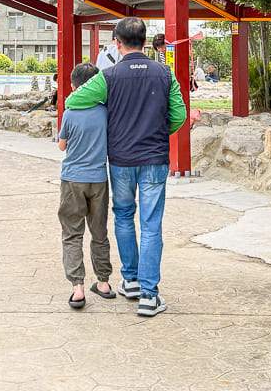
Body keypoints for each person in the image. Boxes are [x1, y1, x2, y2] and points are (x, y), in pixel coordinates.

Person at [66, 16, 187, 318]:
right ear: (145, 42)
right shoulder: (164, 73)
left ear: (117, 44)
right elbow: (180, 115)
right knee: (150, 223)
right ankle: (149, 296)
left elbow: (73, 102)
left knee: (123, 216)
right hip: (155, 159)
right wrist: (159, 133)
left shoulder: (107, 76)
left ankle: (130, 281)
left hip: (120, 160)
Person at [56, 61, 115, 309]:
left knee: (72, 233)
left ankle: (78, 288)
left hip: (72, 179)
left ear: (73, 86)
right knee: (99, 231)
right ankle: (103, 283)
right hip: (99, 179)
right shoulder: (104, 111)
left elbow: (62, 145)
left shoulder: (69, 113)